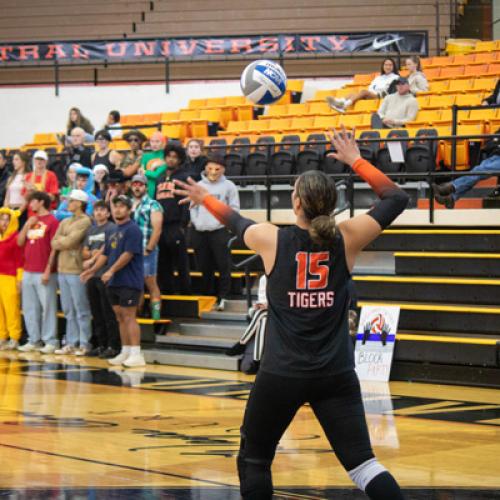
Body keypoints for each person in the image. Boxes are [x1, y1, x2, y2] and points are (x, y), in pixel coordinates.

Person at [174, 125, 409, 500]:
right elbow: (396, 197)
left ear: (295, 203)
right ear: (330, 204)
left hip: (282, 374)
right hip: (336, 373)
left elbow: (233, 220)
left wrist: (204, 197)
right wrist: (356, 160)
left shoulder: (271, 238)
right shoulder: (348, 236)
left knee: (254, 461)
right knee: (363, 465)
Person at [81, 195, 145, 368]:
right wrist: (92, 271)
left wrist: (111, 270)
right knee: (119, 317)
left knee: (129, 316)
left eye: (122, 206)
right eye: (115, 206)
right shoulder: (114, 231)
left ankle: (136, 353)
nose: (118, 209)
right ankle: (125, 351)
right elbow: (105, 254)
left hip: (129, 280)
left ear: (129, 210)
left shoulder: (133, 230)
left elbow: (128, 254)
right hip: (114, 282)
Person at [190, 156, 239, 310]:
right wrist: (197, 223)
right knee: (204, 266)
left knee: (223, 265)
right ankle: (209, 297)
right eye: (210, 168)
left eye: (217, 168)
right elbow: (192, 207)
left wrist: (223, 222)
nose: (213, 172)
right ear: (205, 168)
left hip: (219, 231)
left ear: (223, 169)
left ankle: (223, 297)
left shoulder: (229, 186)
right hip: (200, 231)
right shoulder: (198, 185)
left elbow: (234, 208)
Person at [17, 192, 59, 353]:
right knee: (29, 307)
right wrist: (27, 225)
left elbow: (54, 248)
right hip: (28, 270)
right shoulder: (31, 220)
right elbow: (20, 242)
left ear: (41, 202)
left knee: (47, 307)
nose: (30, 204)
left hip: (44, 270)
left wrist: (49, 269)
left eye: (32, 201)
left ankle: (50, 340)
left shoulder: (53, 222)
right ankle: (33, 339)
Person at [51, 189, 92, 356]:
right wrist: (63, 241)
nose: (68, 203)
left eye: (71, 200)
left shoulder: (85, 221)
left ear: (80, 203)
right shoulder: (65, 221)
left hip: (76, 269)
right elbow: (54, 242)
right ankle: (71, 342)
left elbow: (70, 241)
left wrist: (63, 241)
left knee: (81, 308)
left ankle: (84, 342)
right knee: (68, 309)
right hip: (62, 269)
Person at [81, 200, 120, 358]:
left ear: (108, 213)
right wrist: (92, 255)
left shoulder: (111, 228)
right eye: (96, 210)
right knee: (96, 312)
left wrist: (92, 257)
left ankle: (113, 345)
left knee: (108, 312)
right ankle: (101, 344)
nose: (98, 213)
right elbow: (84, 251)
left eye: (102, 210)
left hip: (105, 273)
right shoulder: (91, 230)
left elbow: (107, 248)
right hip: (92, 275)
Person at [155, 143, 191, 294]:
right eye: (169, 156)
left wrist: (183, 224)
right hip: (160, 226)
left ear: (180, 159)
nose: (171, 160)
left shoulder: (183, 177)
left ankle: (185, 292)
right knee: (163, 262)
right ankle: (167, 291)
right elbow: (154, 201)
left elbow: (186, 202)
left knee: (181, 261)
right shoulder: (159, 177)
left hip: (176, 225)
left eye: (174, 157)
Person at [433, 129, 500, 208]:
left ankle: (451, 187)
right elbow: (491, 142)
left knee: (479, 171)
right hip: (495, 156)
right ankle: (451, 197)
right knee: (477, 171)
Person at [131, 174, 163, 319]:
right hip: (131, 252)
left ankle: (156, 317)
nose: (137, 187)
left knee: (150, 283)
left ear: (146, 187)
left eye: (140, 184)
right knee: (135, 286)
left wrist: (149, 248)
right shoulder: (127, 204)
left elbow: (157, 229)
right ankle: (139, 315)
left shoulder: (153, 204)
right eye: (135, 184)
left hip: (146, 249)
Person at [226, 274, 267, 375]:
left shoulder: (283, 277)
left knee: (261, 318)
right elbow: (262, 297)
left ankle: (242, 343)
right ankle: (257, 361)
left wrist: (269, 305)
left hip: (279, 311)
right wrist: (261, 304)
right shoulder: (264, 278)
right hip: (265, 312)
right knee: (260, 316)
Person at [327, 58, 399, 113]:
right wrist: (370, 92)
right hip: (371, 93)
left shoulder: (395, 77)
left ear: (393, 66)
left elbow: (389, 90)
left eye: (390, 65)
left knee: (364, 92)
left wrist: (372, 92)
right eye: (386, 65)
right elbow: (371, 86)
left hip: (380, 96)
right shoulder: (378, 77)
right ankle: (339, 102)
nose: (388, 67)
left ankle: (344, 105)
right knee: (351, 94)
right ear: (383, 66)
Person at [0, 208, 23, 351]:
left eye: (7, 219)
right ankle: (2, 337)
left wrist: (19, 279)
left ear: (12, 221)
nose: (3, 222)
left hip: (10, 277)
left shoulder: (16, 238)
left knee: (11, 309)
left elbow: (20, 260)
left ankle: (14, 338)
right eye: (1, 219)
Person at [142, 131, 167, 198]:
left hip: (160, 187)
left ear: (163, 143)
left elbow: (156, 175)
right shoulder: (145, 156)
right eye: (152, 141)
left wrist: (145, 172)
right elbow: (141, 173)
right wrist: (147, 172)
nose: (154, 144)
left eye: (157, 141)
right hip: (146, 187)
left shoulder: (165, 156)